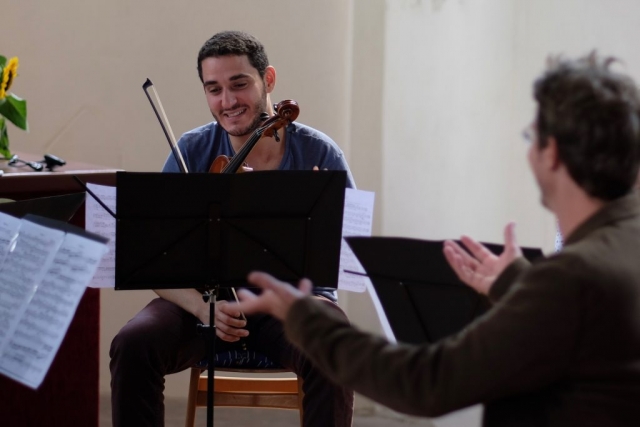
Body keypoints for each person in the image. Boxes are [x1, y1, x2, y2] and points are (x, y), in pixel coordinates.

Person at [230, 52, 640, 426]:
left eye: (531, 139)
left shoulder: (569, 279)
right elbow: (584, 330)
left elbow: (425, 384)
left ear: (552, 154)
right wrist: (517, 285)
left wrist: (305, 317)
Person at [110, 31, 355, 427]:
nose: (227, 102)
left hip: (287, 308)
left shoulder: (320, 153)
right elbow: (155, 260)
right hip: (203, 306)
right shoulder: (190, 151)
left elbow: (348, 250)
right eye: (214, 89)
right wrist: (201, 306)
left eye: (239, 84)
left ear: (268, 80)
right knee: (133, 343)